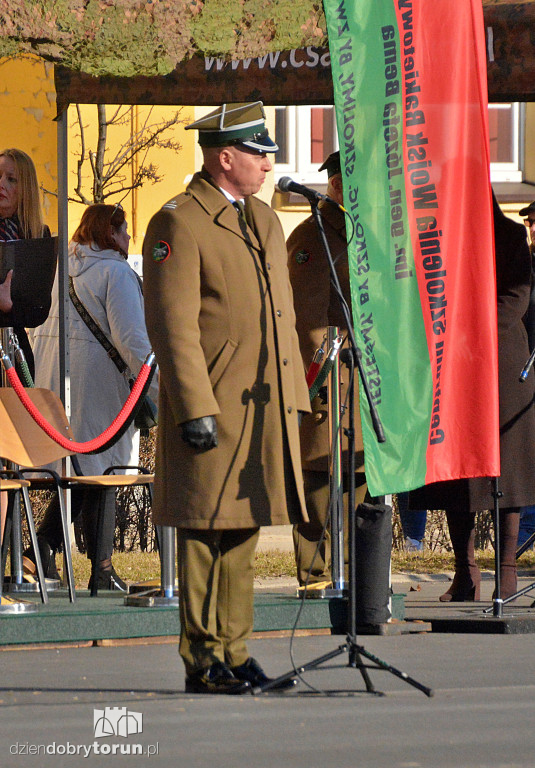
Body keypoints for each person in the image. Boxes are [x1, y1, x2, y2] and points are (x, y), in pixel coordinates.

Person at [142, 102, 310, 694]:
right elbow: (171, 323)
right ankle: (202, 658)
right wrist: (193, 404)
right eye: (259, 152)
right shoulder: (179, 223)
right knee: (203, 530)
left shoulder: (264, 220)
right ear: (225, 157)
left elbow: (277, 315)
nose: (269, 163)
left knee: (244, 527)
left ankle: (236, 651)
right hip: (213, 402)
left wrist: (295, 391)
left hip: (262, 402)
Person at [410, 192, 535, 601]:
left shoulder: (511, 235)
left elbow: (514, 301)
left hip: (499, 364)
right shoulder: (436, 235)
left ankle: (507, 570)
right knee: (454, 471)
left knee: (507, 469)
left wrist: (462, 330)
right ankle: (465, 572)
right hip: (449, 363)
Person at [27, 203, 158, 590]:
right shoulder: (115, 273)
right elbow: (133, 339)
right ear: (111, 233)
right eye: (124, 231)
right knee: (104, 471)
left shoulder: (58, 268)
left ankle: (42, 549)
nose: (129, 238)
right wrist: (160, 385)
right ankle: (100, 570)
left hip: (54, 380)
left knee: (82, 470)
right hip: (99, 384)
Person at [287, 151, 392, 625]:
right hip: (330, 375)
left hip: (363, 375)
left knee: (357, 478)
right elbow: (308, 319)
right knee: (317, 479)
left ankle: (354, 575)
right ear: (334, 186)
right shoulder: (313, 235)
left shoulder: (361, 231)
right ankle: (313, 578)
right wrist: (317, 379)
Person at [0, 147, 51, 543]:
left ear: (25, 189)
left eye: (11, 179)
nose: (1, 185)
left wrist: (10, 309)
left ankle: (13, 560)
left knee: (12, 467)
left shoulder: (36, 237)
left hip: (14, 357)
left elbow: (38, 310)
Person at [516, 200, 535, 551]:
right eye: (531, 223)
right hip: (527, 370)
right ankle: (524, 541)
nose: (533, 229)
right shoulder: (526, 265)